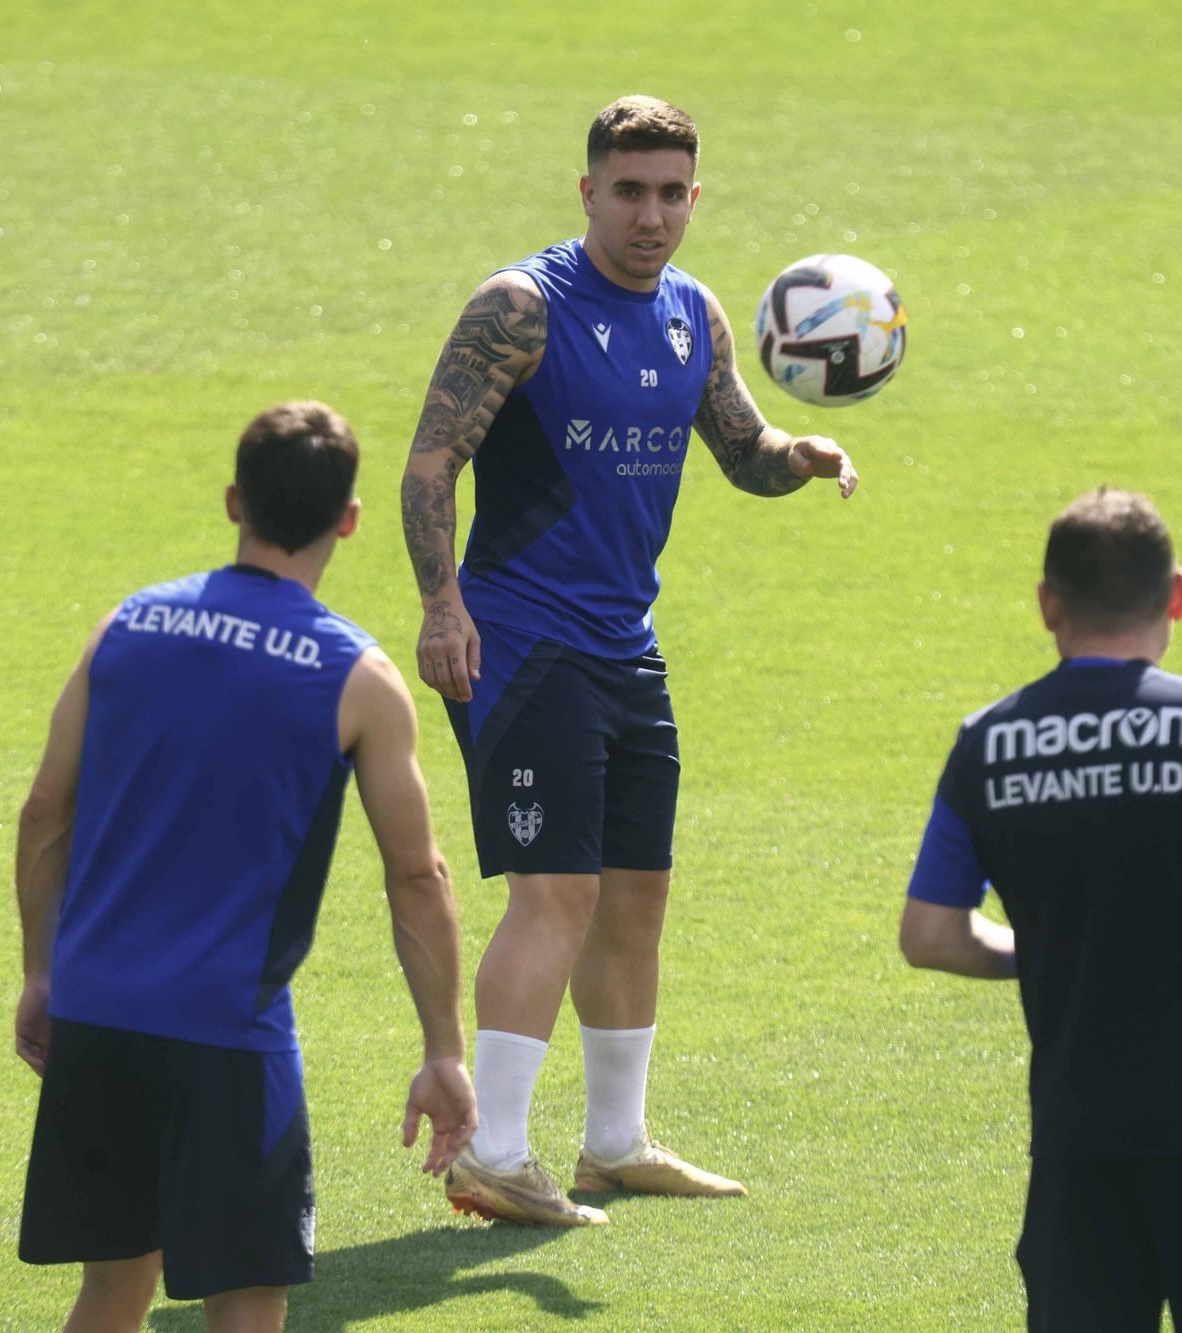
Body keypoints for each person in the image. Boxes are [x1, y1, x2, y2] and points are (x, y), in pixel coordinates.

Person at [399, 95, 860, 1226]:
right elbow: (427, 465)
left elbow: (740, 450)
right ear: (588, 191)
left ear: (692, 198)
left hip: (624, 648)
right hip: (519, 639)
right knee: (553, 891)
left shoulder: (691, 315)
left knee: (633, 899)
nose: (649, 216)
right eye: (628, 191)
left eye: (670, 195)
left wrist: (797, 453)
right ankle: (493, 1157)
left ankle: (613, 1142)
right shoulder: (521, 307)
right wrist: (440, 602)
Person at [13, 401, 478, 1333]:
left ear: (236, 501)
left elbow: (44, 813)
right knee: (250, 1295)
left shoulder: (127, 626)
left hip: (95, 1012)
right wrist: (444, 1049)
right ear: (347, 520)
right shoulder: (358, 677)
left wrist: (41, 972)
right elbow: (417, 874)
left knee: (112, 1288)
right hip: (228, 1035)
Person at [898, 487, 1182, 1331]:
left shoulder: (988, 742)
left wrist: (1054, 944)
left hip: (1078, 1146)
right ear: (1176, 594)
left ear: (1047, 605)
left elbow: (929, 935)